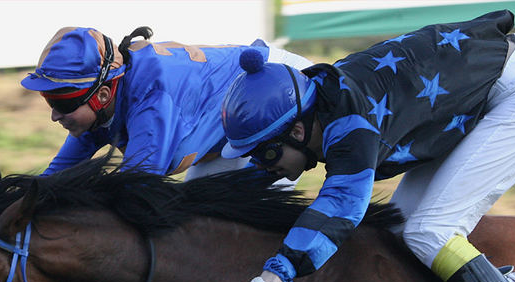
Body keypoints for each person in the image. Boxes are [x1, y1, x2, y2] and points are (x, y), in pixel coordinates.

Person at [219, 10, 515, 282]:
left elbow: (341, 208)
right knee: (402, 228)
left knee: (431, 233)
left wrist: (271, 280)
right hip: (476, 92)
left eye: (266, 153)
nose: (263, 166)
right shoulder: (320, 102)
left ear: (297, 131)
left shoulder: (349, 123)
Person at [21, 26, 311, 184]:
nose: (54, 115)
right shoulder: (104, 98)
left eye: (63, 102)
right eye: (49, 100)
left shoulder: (151, 105)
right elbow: (51, 179)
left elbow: (131, 191)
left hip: (281, 94)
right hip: (238, 120)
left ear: (103, 95)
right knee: (200, 221)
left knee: (222, 232)